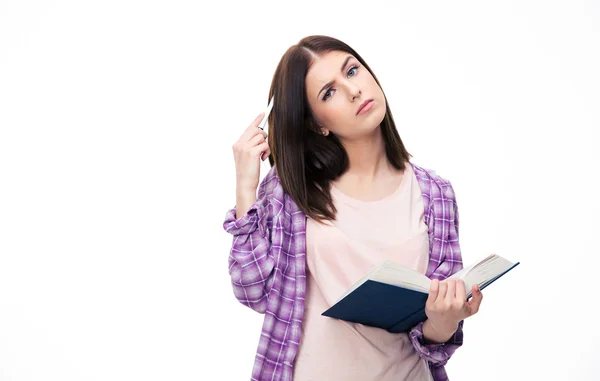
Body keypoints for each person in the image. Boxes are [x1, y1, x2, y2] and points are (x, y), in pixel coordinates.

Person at [222, 35, 483, 381]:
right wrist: (245, 188)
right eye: (328, 92)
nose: (353, 90)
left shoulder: (435, 193)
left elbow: (434, 343)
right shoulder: (292, 191)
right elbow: (253, 291)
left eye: (352, 71)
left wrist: (446, 319)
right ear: (318, 123)